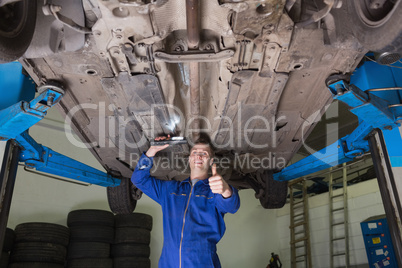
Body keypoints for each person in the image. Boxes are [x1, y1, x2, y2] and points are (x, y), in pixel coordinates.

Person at [132, 136, 240, 268]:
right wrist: (151, 151)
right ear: (189, 158)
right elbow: (139, 179)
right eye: (194, 152)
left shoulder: (214, 191)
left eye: (204, 154)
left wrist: (226, 190)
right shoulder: (170, 190)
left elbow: (232, 206)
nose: (198, 156)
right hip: (168, 264)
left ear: (211, 161)